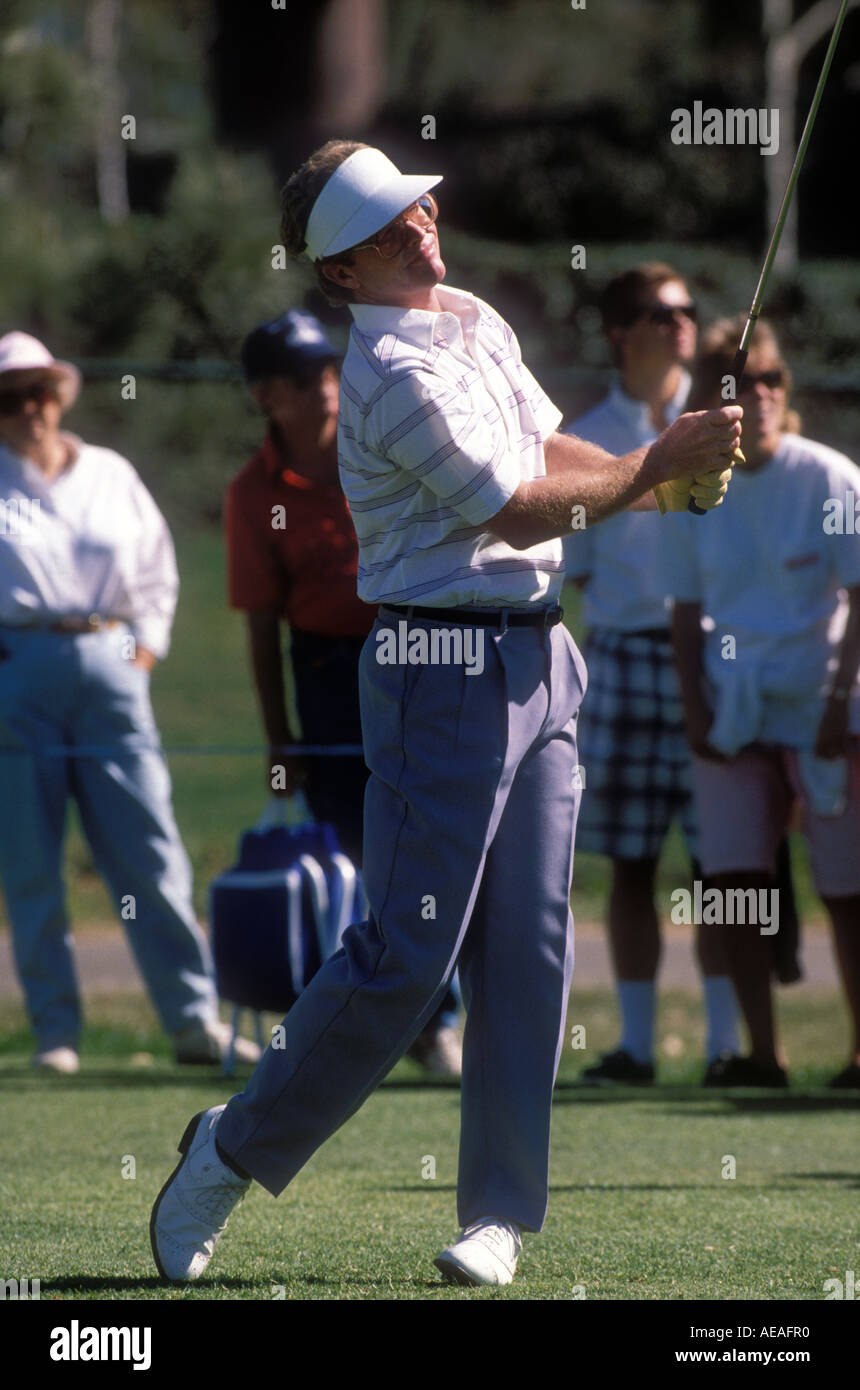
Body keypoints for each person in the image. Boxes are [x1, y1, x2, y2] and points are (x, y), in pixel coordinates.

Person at [150, 141, 740, 1288]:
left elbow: (544, 449)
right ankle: (228, 1147)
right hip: (439, 665)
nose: (419, 225)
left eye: (416, 207)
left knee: (527, 948)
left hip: (540, 654)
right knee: (406, 954)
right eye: (387, 226)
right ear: (340, 271)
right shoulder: (389, 375)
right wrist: (651, 465)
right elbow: (513, 509)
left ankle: (496, 1214)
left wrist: (655, 478)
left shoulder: (470, 317)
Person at [0, 332, 260, 1073]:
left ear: (59, 396)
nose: (28, 408)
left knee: (150, 848)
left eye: (39, 392)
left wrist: (142, 652)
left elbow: (155, 569)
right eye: (10, 398)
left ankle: (192, 1021)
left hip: (112, 661)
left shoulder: (110, 473)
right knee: (30, 859)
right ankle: (56, 1034)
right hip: (19, 667)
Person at [225, 309, 462, 1074]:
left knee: (435, 841)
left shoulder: (382, 445)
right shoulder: (253, 492)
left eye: (328, 369)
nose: (325, 386)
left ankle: (440, 1021)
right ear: (266, 396)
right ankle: (371, 1023)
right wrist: (279, 739)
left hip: (418, 648)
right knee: (361, 857)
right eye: (302, 378)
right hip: (327, 675)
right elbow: (262, 624)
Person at [663, 316, 860, 1089]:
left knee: (847, 887)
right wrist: (696, 710)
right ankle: (761, 1055)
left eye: (772, 379)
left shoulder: (831, 478)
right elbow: (683, 611)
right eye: (744, 383)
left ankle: (857, 1056)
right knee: (735, 890)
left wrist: (839, 701)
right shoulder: (693, 491)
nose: (762, 395)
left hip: (825, 705)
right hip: (733, 709)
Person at [563, 264, 741, 1086]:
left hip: (717, 656)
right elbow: (575, 570)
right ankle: (635, 1047)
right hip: (627, 655)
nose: (679, 323)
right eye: (659, 312)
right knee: (632, 863)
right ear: (619, 331)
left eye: (686, 310)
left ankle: (725, 1047)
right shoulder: (586, 434)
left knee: (720, 867)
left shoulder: (721, 424)